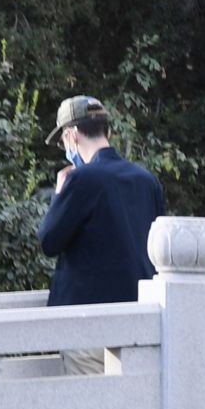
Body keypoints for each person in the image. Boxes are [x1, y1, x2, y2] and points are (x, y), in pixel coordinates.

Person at [39, 95, 167, 307]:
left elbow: (49, 241)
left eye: (63, 142)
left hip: (88, 315)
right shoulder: (146, 180)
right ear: (107, 132)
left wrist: (59, 193)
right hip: (141, 306)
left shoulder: (80, 179)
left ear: (72, 135)